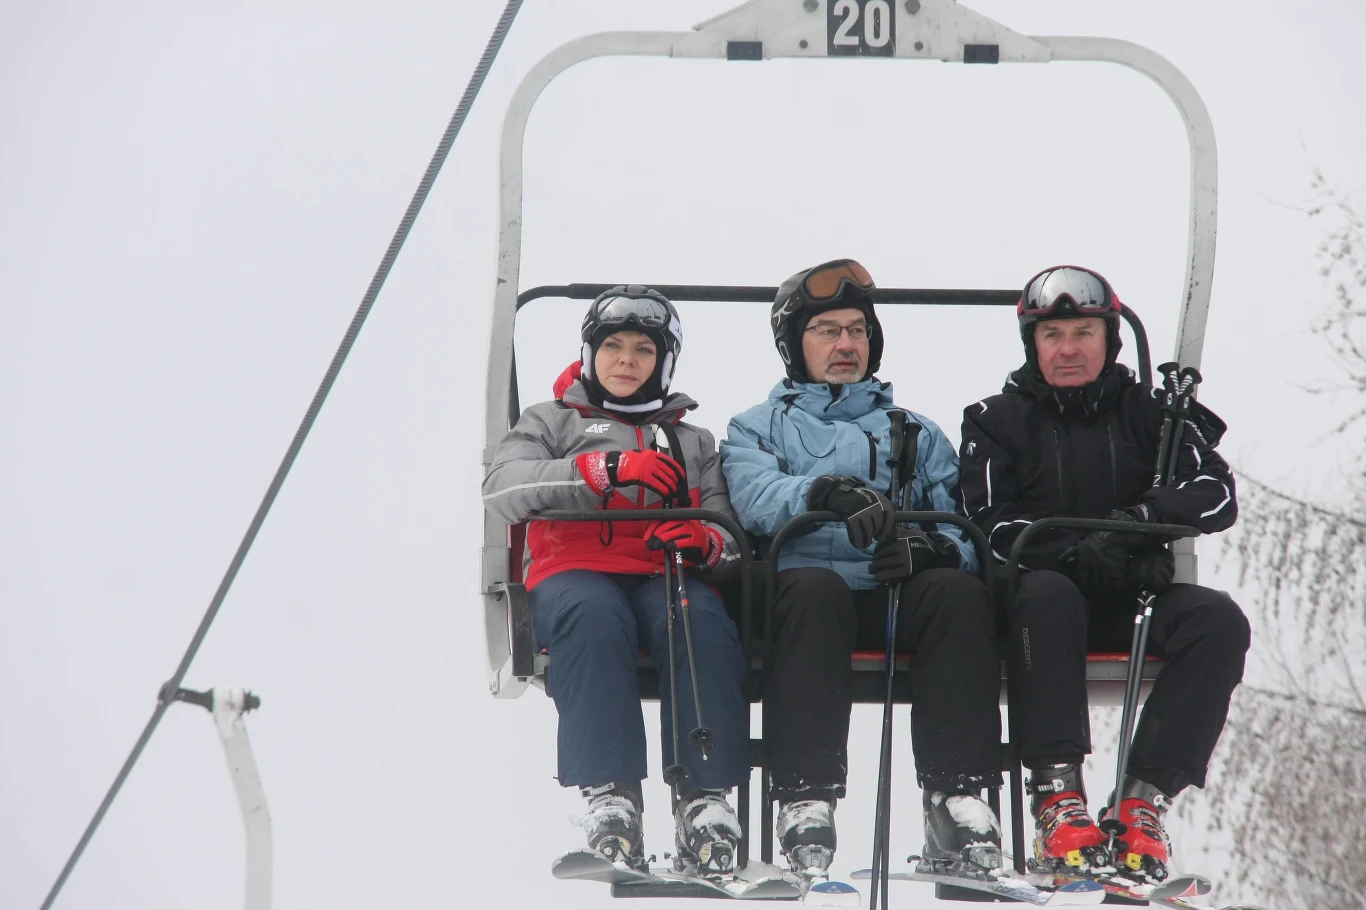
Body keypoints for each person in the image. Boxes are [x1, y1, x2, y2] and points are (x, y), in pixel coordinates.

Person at [958, 265, 1250, 881]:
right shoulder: (994, 420)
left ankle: (1143, 797)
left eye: (1084, 333)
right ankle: (1057, 792)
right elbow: (988, 522)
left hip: (1134, 594)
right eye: (1053, 335)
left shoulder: (1153, 413)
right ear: (1033, 345)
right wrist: (1070, 550)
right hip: (1044, 605)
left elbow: (1216, 493)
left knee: (1217, 621)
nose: (1068, 349)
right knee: (1047, 593)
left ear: (1108, 340)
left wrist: (1141, 523)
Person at [721, 259, 1005, 878]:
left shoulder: (917, 433)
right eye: (827, 330)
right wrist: (823, 493)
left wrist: (931, 551)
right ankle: (805, 796)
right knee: (815, 593)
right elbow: (754, 496)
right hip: (809, 602)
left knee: (956, 593)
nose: (846, 344)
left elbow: (961, 525)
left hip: (891, 597)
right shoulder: (756, 428)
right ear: (794, 343)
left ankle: (958, 796)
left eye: (857, 330)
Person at [481, 286, 749, 876]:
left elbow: (730, 533)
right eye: (613, 347)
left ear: (664, 362)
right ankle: (611, 795)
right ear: (589, 354)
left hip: (663, 571)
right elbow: (503, 489)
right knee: (594, 617)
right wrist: (600, 469)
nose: (626, 360)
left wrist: (705, 540)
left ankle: (705, 798)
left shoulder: (691, 440)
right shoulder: (552, 421)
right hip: (573, 572)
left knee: (699, 618)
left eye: (643, 350)